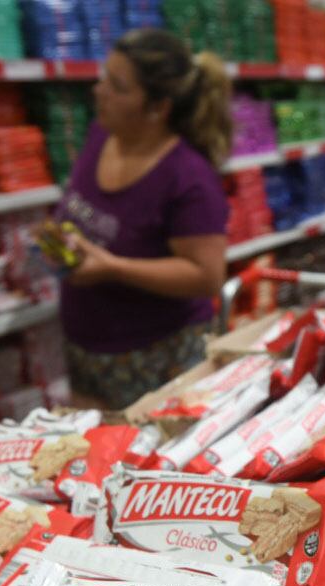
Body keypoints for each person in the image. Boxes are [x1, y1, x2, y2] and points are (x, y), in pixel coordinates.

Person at [46, 29, 233, 410]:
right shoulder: (102, 135)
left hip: (157, 359)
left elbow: (207, 275)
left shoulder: (187, 177)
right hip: (88, 348)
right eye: (103, 77)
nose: (99, 91)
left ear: (157, 107)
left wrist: (113, 267)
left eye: (117, 86)